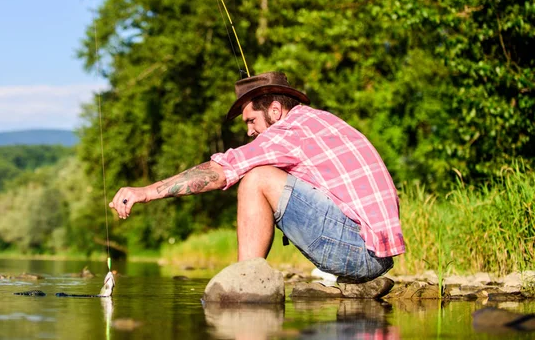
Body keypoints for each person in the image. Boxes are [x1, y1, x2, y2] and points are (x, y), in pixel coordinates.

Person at [109, 72, 405, 283]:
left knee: (256, 178)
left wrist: (145, 192)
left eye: (251, 120)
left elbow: (220, 171)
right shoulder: (318, 121)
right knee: (265, 175)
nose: (249, 130)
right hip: (375, 253)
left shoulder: (288, 131)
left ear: (275, 110)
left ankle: (246, 281)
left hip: (359, 253)